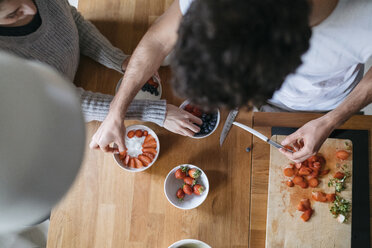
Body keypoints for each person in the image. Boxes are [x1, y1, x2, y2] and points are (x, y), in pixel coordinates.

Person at [92, 0, 372, 162]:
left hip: (330, 104)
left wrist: (331, 119)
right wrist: (116, 112)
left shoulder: (364, 17)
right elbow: (158, 40)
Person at [0, 0, 202, 153]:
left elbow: (71, 21)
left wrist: (118, 60)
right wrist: (157, 112)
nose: (31, 9)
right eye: (14, 13)